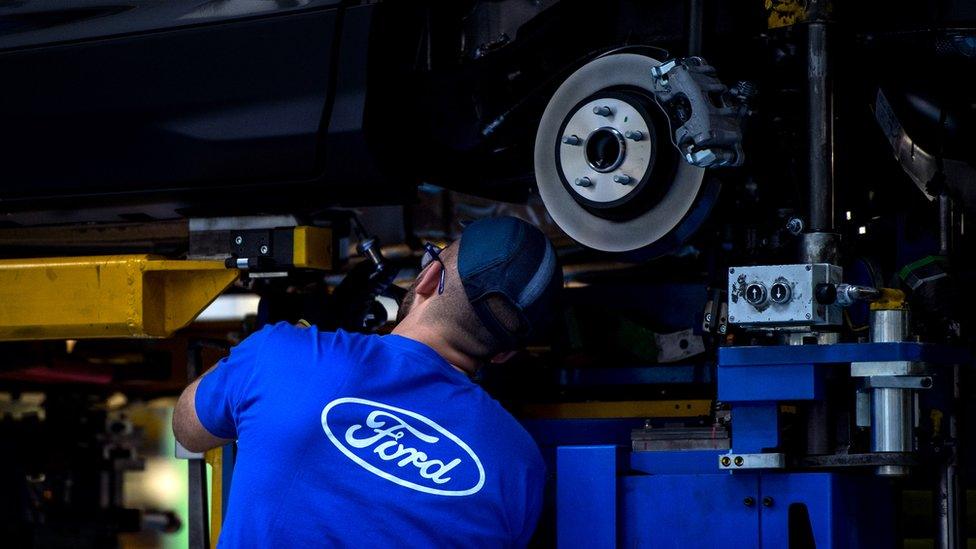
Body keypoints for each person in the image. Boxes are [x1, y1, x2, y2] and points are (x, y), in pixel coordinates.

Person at [173, 216, 562, 547]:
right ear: (504, 353)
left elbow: (187, 428)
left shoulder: (282, 353)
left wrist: (256, 357)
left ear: (427, 279)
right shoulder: (520, 465)